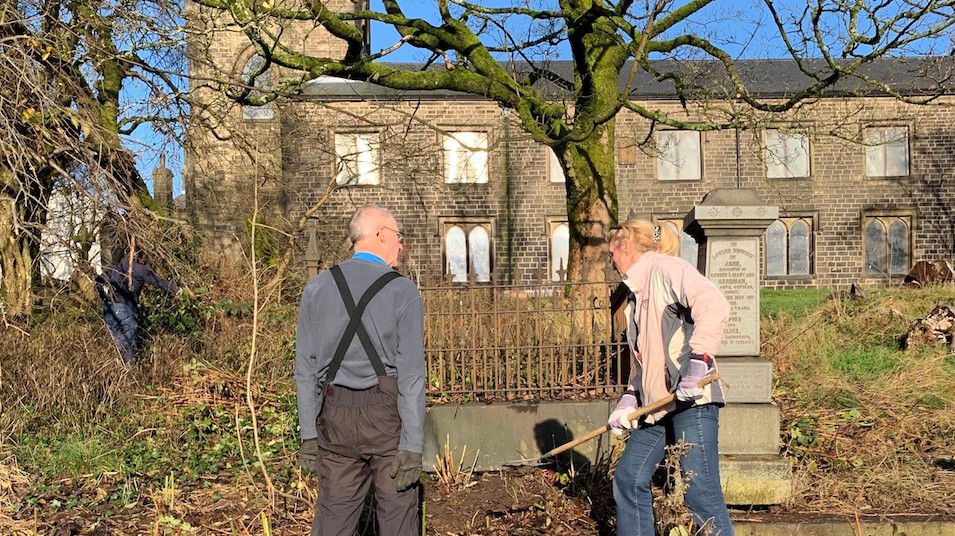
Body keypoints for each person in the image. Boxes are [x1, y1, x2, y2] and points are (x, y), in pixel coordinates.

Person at [295, 204, 425, 536]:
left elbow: (305, 370)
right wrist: (412, 445)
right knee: (397, 517)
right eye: (398, 236)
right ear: (380, 234)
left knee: (334, 518)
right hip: (386, 418)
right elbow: (411, 376)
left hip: (333, 416)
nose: (401, 245)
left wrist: (309, 435)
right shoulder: (402, 291)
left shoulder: (317, 288)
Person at [606, 217, 734, 536]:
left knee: (701, 495)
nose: (610, 259)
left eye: (612, 251)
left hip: (692, 402)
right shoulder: (635, 294)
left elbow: (713, 304)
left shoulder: (666, 269)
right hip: (657, 408)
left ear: (626, 246)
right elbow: (645, 363)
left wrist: (698, 364)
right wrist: (628, 400)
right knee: (629, 478)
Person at [96, 251, 181, 365]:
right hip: (125, 310)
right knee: (128, 346)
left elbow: (97, 282)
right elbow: (158, 281)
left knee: (115, 346)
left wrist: (104, 298)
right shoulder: (140, 269)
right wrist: (176, 289)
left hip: (109, 311)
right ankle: (130, 377)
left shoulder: (114, 269)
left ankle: (117, 375)